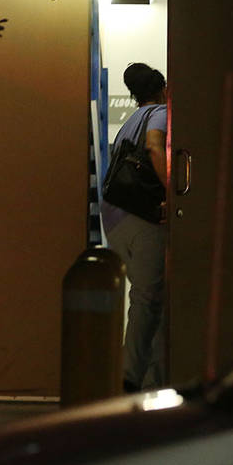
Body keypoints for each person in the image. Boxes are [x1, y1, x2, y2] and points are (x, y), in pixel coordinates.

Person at [102, 63, 168, 393]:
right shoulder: (161, 113)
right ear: (162, 89)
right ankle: (129, 378)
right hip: (141, 217)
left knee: (150, 300)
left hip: (114, 219)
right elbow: (155, 145)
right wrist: (173, 190)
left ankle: (153, 380)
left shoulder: (129, 122)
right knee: (148, 300)